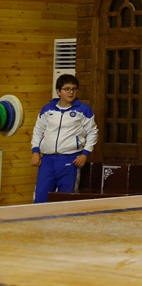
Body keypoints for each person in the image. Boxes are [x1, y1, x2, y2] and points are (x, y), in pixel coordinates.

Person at [30, 74, 99, 203]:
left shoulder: (84, 110)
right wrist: (35, 152)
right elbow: (38, 131)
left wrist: (85, 154)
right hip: (47, 160)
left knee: (66, 199)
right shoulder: (47, 109)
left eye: (74, 89)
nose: (71, 92)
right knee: (40, 198)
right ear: (58, 91)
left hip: (70, 160)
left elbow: (93, 132)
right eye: (67, 89)